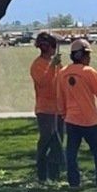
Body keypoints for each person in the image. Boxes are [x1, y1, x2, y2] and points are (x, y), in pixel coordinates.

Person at [59, 40, 97, 188]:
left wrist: (64, 114)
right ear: (81, 55)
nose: (89, 58)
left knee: (71, 154)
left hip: (71, 120)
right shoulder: (89, 72)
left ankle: (74, 182)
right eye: (88, 55)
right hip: (90, 121)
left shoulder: (62, 73)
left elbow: (60, 98)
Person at [28, 30, 65, 182]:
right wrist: (52, 66)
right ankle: (42, 175)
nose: (54, 50)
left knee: (58, 142)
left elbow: (61, 79)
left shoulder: (56, 64)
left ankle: (55, 175)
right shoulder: (37, 65)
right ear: (47, 48)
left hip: (59, 109)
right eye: (53, 47)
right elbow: (44, 82)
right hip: (45, 110)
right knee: (46, 141)